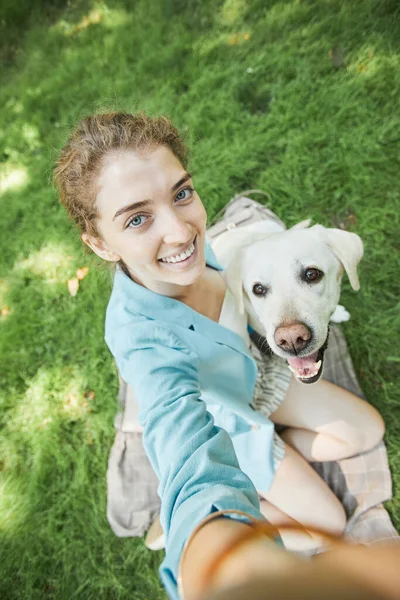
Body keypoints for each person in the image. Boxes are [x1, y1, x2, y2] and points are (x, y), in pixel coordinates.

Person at [54, 112, 385, 598]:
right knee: (329, 519)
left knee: (366, 430)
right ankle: (195, 515)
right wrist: (210, 540)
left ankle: (283, 447)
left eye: (181, 194)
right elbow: (180, 439)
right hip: (228, 427)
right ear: (100, 243)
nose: (181, 231)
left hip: (254, 380)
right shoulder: (142, 343)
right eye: (138, 218)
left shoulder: (210, 252)